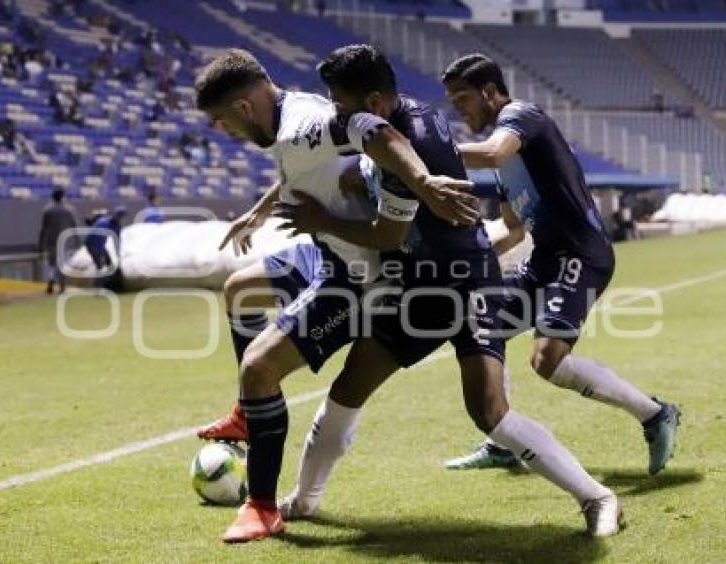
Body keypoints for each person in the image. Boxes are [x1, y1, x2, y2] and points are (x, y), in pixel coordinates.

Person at [199, 45, 622, 542]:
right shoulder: (399, 122)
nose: (334, 114)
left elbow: (387, 236)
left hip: (464, 284)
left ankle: (597, 497)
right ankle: (302, 501)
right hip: (415, 289)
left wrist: (326, 217)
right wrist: (273, 203)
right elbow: (322, 160)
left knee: (488, 410)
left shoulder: (408, 151)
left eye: (340, 105)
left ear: (373, 103)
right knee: (347, 388)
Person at [192, 48, 480, 543]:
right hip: (324, 253)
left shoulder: (302, 122)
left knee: (259, 369)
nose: (221, 132)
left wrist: (425, 181)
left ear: (242, 108)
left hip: (358, 276)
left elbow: (377, 132)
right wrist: (261, 211)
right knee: (239, 290)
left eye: (221, 121)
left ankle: (261, 506)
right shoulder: (291, 114)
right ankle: (247, 414)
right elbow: (299, 167)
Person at [439, 53, 679, 474]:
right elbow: (512, 228)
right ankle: (504, 439)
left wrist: (430, 155)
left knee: (546, 359)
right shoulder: (505, 167)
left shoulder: (522, 117)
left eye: (463, 98)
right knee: (481, 321)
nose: (458, 108)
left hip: (581, 254)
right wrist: (476, 258)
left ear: (491, 92)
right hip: (545, 259)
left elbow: (494, 153)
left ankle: (655, 414)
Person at [38, 188, 77, 294]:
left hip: (52, 240)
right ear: (63, 197)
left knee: (52, 264)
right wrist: (78, 241)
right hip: (65, 241)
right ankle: (62, 287)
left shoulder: (47, 210)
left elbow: (43, 229)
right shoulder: (69, 210)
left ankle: (51, 280)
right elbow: (74, 227)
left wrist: (41, 245)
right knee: (62, 264)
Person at [84, 206, 127, 290]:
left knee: (109, 263)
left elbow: (117, 242)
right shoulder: (105, 221)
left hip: (100, 244)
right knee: (99, 265)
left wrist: (118, 255)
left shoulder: (115, 225)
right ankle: (99, 287)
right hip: (92, 244)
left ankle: (110, 283)